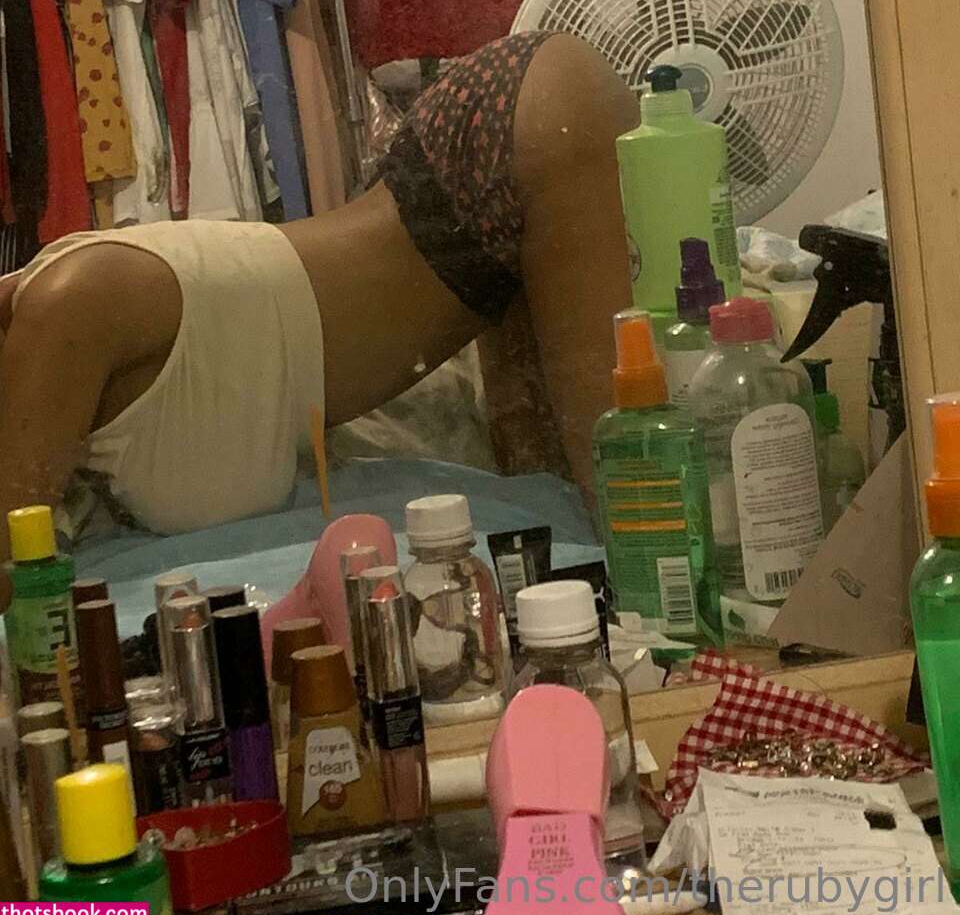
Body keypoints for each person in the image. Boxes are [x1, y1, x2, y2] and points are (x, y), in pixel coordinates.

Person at [0, 32, 639, 556]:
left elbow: (11, 568)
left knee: (625, 507)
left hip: (527, 116)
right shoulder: (72, 337)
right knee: (553, 504)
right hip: (484, 189)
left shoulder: (68, 308)